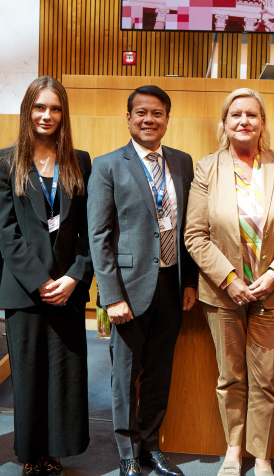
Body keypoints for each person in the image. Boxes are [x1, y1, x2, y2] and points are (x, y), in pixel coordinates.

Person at [185, 88, 274, 476]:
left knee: (266, 380)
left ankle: (261, 456)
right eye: (235, 115)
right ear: (224, 123)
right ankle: (233, 451)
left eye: (252, 115)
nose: (244, 121)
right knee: (231, 377)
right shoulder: (207, 168)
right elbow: (195, 234)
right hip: (223, 295)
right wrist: (228, 279)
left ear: (262, 123)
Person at [87, 85, 198, 476]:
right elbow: (99, 236)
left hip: (171, 284)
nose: (149, 120)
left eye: (157, 113)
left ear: (167, 119)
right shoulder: (107, 165)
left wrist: (190, 282)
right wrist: (110, 295)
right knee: (125, 374)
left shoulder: (183, 163)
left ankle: (151, 445)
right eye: (141, 113)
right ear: (129, 118)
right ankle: (127, 452)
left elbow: (188, 228)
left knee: (159, 370)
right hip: (128, 289)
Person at [0, 76, 93, 476]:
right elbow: (6, 232)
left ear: (63, 114)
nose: (46, 115)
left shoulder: (79, 161)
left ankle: (57, 451)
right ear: (27, 110)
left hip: (68, 287)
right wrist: (40, 281)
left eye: (55, 108)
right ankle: (32, 454)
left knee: (65, 374)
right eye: (39, 107)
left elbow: (89, 229)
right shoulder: (3, 162)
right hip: (25, 289)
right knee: (30, 376)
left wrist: (73, 278)